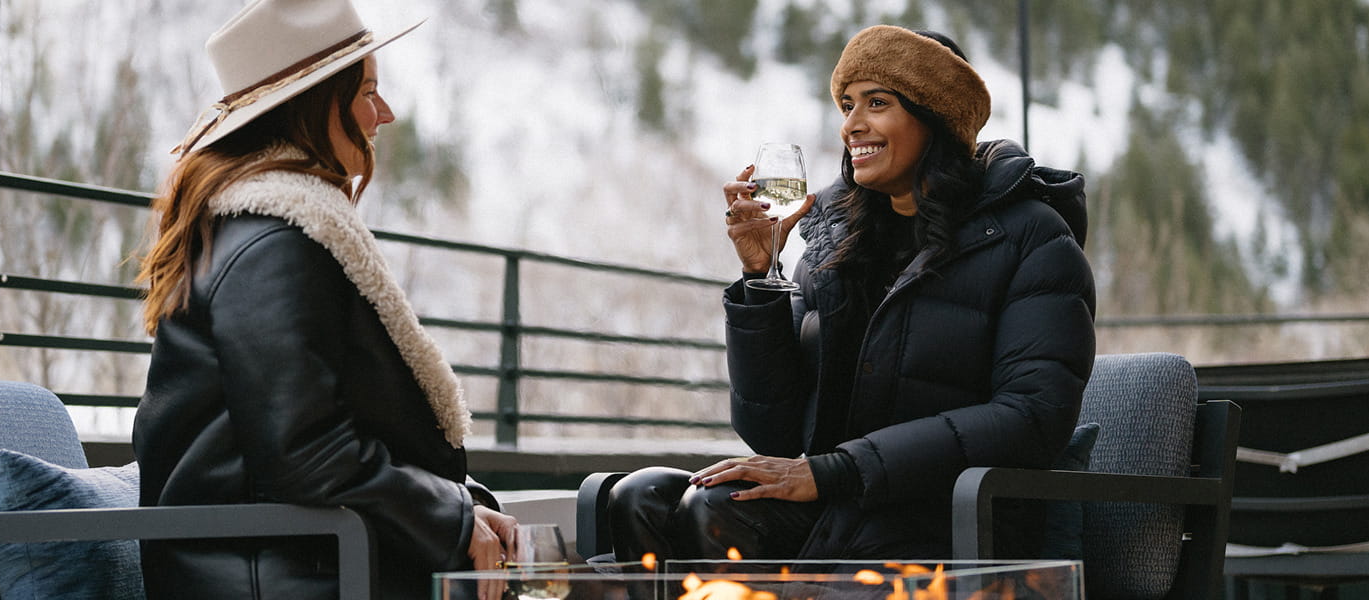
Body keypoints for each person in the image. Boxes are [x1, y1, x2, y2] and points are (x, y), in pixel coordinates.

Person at [608, 25, 1095, 563]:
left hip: (951, 516)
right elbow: (773, 431)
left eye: (877, 103)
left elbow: (1032, 418)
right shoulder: (838, 241)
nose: (851, 125)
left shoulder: (1031, 236)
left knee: (717, 512)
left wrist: (835, 471)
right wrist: (761, 278)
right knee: (637, 497)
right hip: (842, 502)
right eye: (846, 104)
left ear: (938, 117)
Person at [132, 1, 516, 598]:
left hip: (296, 561)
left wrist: (459, 504)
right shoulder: (270, 244)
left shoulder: (268, 233)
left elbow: (327, 434)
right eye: (367, 91)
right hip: (281, 575)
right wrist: (450, 517)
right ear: (312, 107)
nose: (384, 113)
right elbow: (305, 452)